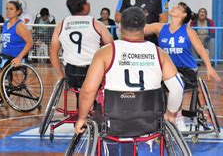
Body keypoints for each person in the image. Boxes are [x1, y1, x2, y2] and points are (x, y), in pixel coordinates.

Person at [74, 7, 184, 135]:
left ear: (119, 27)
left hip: (112, 120)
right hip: (150, 121)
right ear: (144, 27)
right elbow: (178, 88)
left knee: (97, 112)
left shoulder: (104, 52)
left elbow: (88, 91)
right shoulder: (160, 53)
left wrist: (81, 118)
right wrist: (171, 113)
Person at [145, 2, 221, 127]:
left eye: (178, 7)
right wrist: (131, 21)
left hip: (187, 70)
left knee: (175, 80)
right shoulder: (160, 27)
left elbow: (201, 50)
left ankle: (178, 117)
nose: (174, 7)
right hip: (167, 69)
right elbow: (144, 28)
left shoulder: (188, 31)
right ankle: (156, 116)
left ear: (183, 15)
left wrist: (209, 67)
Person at [49, 0, 113, 87]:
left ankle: (81, 98)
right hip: (93, 73)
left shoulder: (61, 25)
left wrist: (61, 75)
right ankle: (95, 100)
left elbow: (52, 53)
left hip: (71, 75)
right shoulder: (96, 24)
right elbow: (111, 46)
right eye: (87, 2)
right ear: (84, 6)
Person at [0, 1, 33, 102]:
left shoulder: (20, 25)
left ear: (18, 12)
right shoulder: (5, 24)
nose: (8, 11)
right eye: (7, 8)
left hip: (14, 57)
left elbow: (30, 43)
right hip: (4, 55)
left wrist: (19, 58)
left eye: (11, 9)